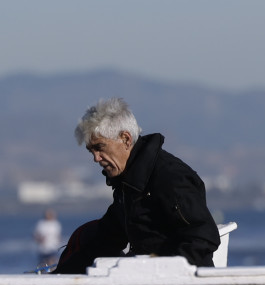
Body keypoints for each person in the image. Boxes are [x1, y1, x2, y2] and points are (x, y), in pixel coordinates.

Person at [54, 98, 220, 274]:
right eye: (91, 151)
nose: (96, 158)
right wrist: (59, 277)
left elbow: (203, 236)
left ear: (126, 139)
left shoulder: (170, 177)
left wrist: (164, 273)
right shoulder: (128, 184)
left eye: (100, 147)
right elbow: (107, 237)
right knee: (87, 235)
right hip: (148, 284)